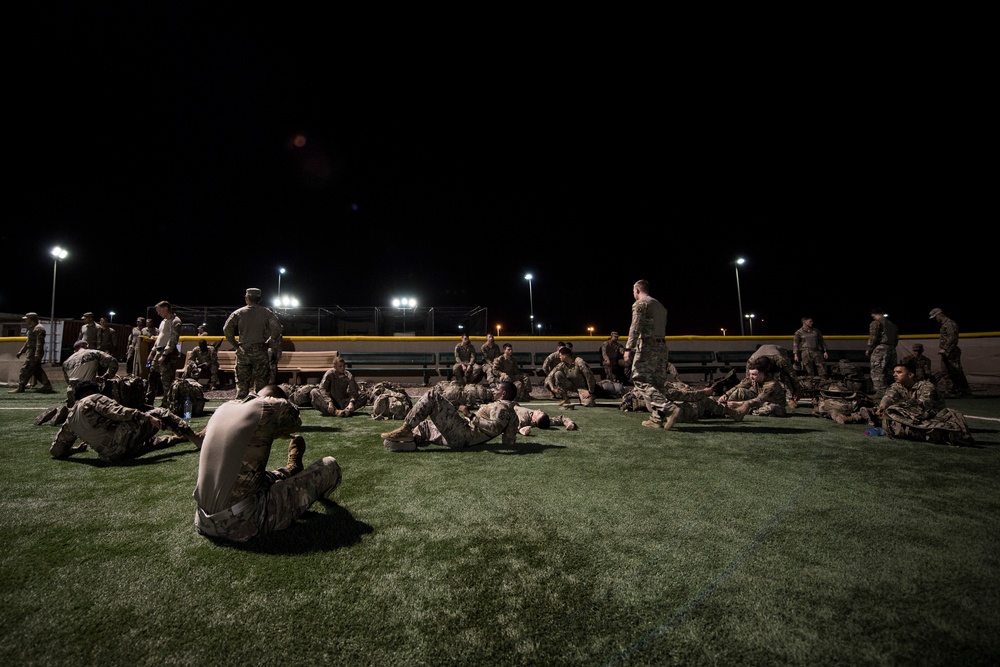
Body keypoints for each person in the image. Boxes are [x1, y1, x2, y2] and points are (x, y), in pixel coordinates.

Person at [193, 384, 342, 542]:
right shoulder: (269, 407)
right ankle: (301, 482)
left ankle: (291, 468)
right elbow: (294, 419)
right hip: (243, 521)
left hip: (203, 520)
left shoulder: (224, 407)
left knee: (254, 476)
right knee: (330, 466)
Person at [49, 380, 203, 462]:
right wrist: (147, 417)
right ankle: (197, 439)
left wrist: (75, 450)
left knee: (149, 443)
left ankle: (178, 438)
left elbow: (57, 451)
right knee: (160, 413)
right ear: (90, 391)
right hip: (121, 442)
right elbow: (119, 412)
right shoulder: (93, 399)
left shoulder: (70, 420)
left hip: (110, 456)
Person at [381, 380, 519, 451]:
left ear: (504, 394)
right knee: (426, 426)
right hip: (462, 435)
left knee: (432, 396)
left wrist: (470, 415)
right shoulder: (511, 412)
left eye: (497, 389)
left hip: (463, 434)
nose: (494, 390)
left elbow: (494, 428)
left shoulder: (502, 407)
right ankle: (410, 442)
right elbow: (509, 440)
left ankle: (405, 429)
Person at [872, 359, 974, 446]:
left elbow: (923, 404)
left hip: (934, 416)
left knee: (895, 417)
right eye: (894, 372)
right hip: (916, 414)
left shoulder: (926, 386)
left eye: (898, 372)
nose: (894, 375)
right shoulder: (897, 386)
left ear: (911, 375)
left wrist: (895, 409)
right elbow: (889, 397)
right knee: (878, 411)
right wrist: (882, 407)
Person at [623, 279, 671, 427]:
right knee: (658, 383)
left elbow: (635, 327)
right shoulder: (660, 306)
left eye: (633, 291)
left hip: (647, 347)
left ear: (637, 290)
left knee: (640, 379)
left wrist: (628, 349)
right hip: (662, 347)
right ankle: (657, 418)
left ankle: (668, 408)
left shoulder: (641, 304)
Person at [223, 287, 283, 399]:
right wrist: (269, 341)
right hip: (260, 351)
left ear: (247, 298)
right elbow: (277, 328)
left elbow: (227, 329)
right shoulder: (266, 313)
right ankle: (259, 410)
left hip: (243, 351)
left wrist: (235, 344)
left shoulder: (239, 313)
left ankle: (240, 410)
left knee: (242, 386)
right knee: (261, 386)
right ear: (259, 299)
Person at [717, 357, 789, 418]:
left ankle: (744, 410)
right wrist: (726, 395)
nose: (751, 376)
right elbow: (739, 386)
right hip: (755, 402)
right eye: (750, 374)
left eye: (754, 374)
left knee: (771, 408)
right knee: (740, 391)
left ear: (763, 373)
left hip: (769, 403)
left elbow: (759, 400)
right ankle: (728, 409)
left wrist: (737, 404)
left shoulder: (771, 384)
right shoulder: (753, 379)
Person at [144, 301, 183, 407]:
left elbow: (173, 339)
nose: (158, 313)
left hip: (167, 354)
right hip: (158, 351)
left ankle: (166, 404)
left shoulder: (175, 321)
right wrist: (152, 352)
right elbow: (159, 338)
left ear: (166, 308)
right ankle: (148, 402)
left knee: (166, 381)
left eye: (159, 310)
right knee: (152, 377)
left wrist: (165, 354)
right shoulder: (163, 322)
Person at [929, 308, 972, 397]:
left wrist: (945, 348)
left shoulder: (949, 324)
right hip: (947, 352)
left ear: (939, 314)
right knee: (946, 372)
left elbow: (953, 337)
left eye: (935, 317)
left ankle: (964, 391)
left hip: (951, 352)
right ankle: (952, 390)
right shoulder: (945, 324)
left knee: (956, 371)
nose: (935, 319)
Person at [10, 312, 55, 394]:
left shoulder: (38, 328)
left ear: (31, 319)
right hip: (30, 351)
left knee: (25, 369)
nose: (26, 320)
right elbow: (28, 342)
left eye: (27, 318)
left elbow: (39, 343)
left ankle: (21, 387)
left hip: (33, 352)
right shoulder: (32, 328)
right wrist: (21, 351)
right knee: (36, 370)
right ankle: (47, 385)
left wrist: (37, 353)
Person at [747, 344, 801, 409]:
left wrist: (797, 389)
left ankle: (789, 399)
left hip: (777, 360)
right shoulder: (752, 361)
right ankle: (761, 397)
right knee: (756, 379)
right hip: (764, 364)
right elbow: (748, 378)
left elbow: (791, 374)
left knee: (785, 377)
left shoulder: (781, 360)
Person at [865, 307, 898, 398]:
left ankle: (880, 392)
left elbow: (873, 336)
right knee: (890, 370)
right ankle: (893, 391)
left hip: (881, 348)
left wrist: (869, 348)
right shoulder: (892, 325)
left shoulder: (876, 323)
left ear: (874, 315)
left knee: (877, 369)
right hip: (891, 348)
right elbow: (896, 339)